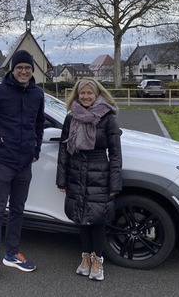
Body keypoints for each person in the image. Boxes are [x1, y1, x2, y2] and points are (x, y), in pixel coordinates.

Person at [0, 50, 45, 284]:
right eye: (19, 68)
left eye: (27, 67)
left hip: (24, 163)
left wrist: (36, 150)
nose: (23, 71)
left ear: (32, 70)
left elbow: (39, 124)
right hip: (2, 161)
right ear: (12, 70)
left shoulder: (37, 94)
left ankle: (12, 253)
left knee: (17, 209)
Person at [55, 78, 122, 281]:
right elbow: (64, 150)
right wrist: (62, 179)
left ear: (97, 94)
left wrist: (114, 183)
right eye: (82, 93)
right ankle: (85, 257)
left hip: (99, 171)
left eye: (89, 93)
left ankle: (98, 260)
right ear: (77, 95)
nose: (85, 96)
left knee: (98, 219)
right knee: (81, 218)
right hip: (76, 170)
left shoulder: (108, 118)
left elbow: (116, 153)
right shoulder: (71, 117)